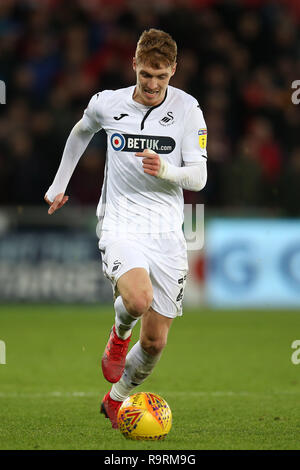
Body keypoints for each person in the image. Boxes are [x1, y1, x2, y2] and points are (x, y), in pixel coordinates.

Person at [44, 28, 208, 429]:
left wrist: (166, 170)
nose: (153, 85)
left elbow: (199, 178)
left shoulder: (189, 111)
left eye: (161, 76)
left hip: (167, 230)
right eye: (146, 74)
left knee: (154, 342)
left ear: (173, 70)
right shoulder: (107, 103)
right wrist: (58, 185)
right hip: (120, 220)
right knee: (136, 300)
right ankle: (118, 335)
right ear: (134, 65)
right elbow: (81, 131)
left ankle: (115, 399)